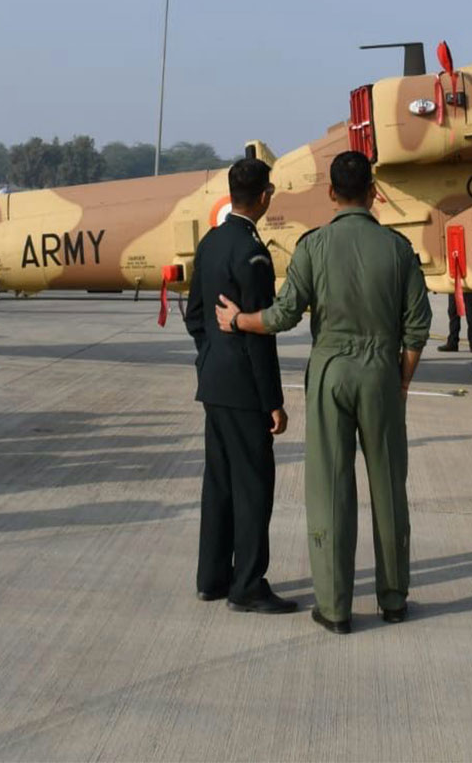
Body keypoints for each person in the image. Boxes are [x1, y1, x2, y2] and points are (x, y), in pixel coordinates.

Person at [218, 150, 430, 633]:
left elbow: (284, 314)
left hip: (331, 371)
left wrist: (239, 320)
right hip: (381, 372)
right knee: (388, 487)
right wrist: (400, 381)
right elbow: (418, 326)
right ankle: (394, 598)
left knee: (331, 489)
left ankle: (334, 608)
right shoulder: (397, 248)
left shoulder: (313, 246)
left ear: (331, 193)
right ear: (374, 193)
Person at [183, 158, 296, 614]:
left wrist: (212, 358)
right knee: (252, 487)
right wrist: (273, 400)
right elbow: (259, 332)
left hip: (214, 381)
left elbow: (195, 315)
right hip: (245, 388)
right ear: (265, 196)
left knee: (220, 483)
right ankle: (247, 583)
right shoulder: (253, 253)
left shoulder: (210, 242)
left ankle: (212, 578)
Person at [441, 288, 472, 354]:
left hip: (471, 286)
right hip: (454, 285)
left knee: (471, 315)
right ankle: (452, 342)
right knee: (453, 312)